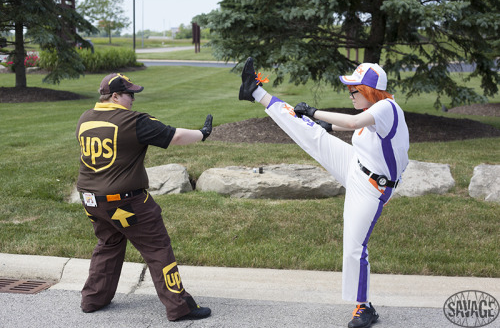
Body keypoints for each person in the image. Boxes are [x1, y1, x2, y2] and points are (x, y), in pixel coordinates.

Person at [239, 58, 409, 328]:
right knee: (310, 132)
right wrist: (324, 125)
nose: (350, 94)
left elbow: (355, 123)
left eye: (354, 90)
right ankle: (256, 92)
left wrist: (317, 112)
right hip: (357, 165)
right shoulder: (377, 109)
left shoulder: (387, 107)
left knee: (354, 248)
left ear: (369, 91)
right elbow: (359, 126)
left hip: (371, 187)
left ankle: (363, 308)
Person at [76, 73, 212, 321]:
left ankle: (92, 299)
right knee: (157, 247)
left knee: (108, 245)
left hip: (91, 201)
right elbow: (175, 136)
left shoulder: (85, 118)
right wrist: (203, 133)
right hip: (125, 202)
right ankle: (179, 306)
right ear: (115, 96)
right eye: (130, 95)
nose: (133, 100)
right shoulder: (133, 121)